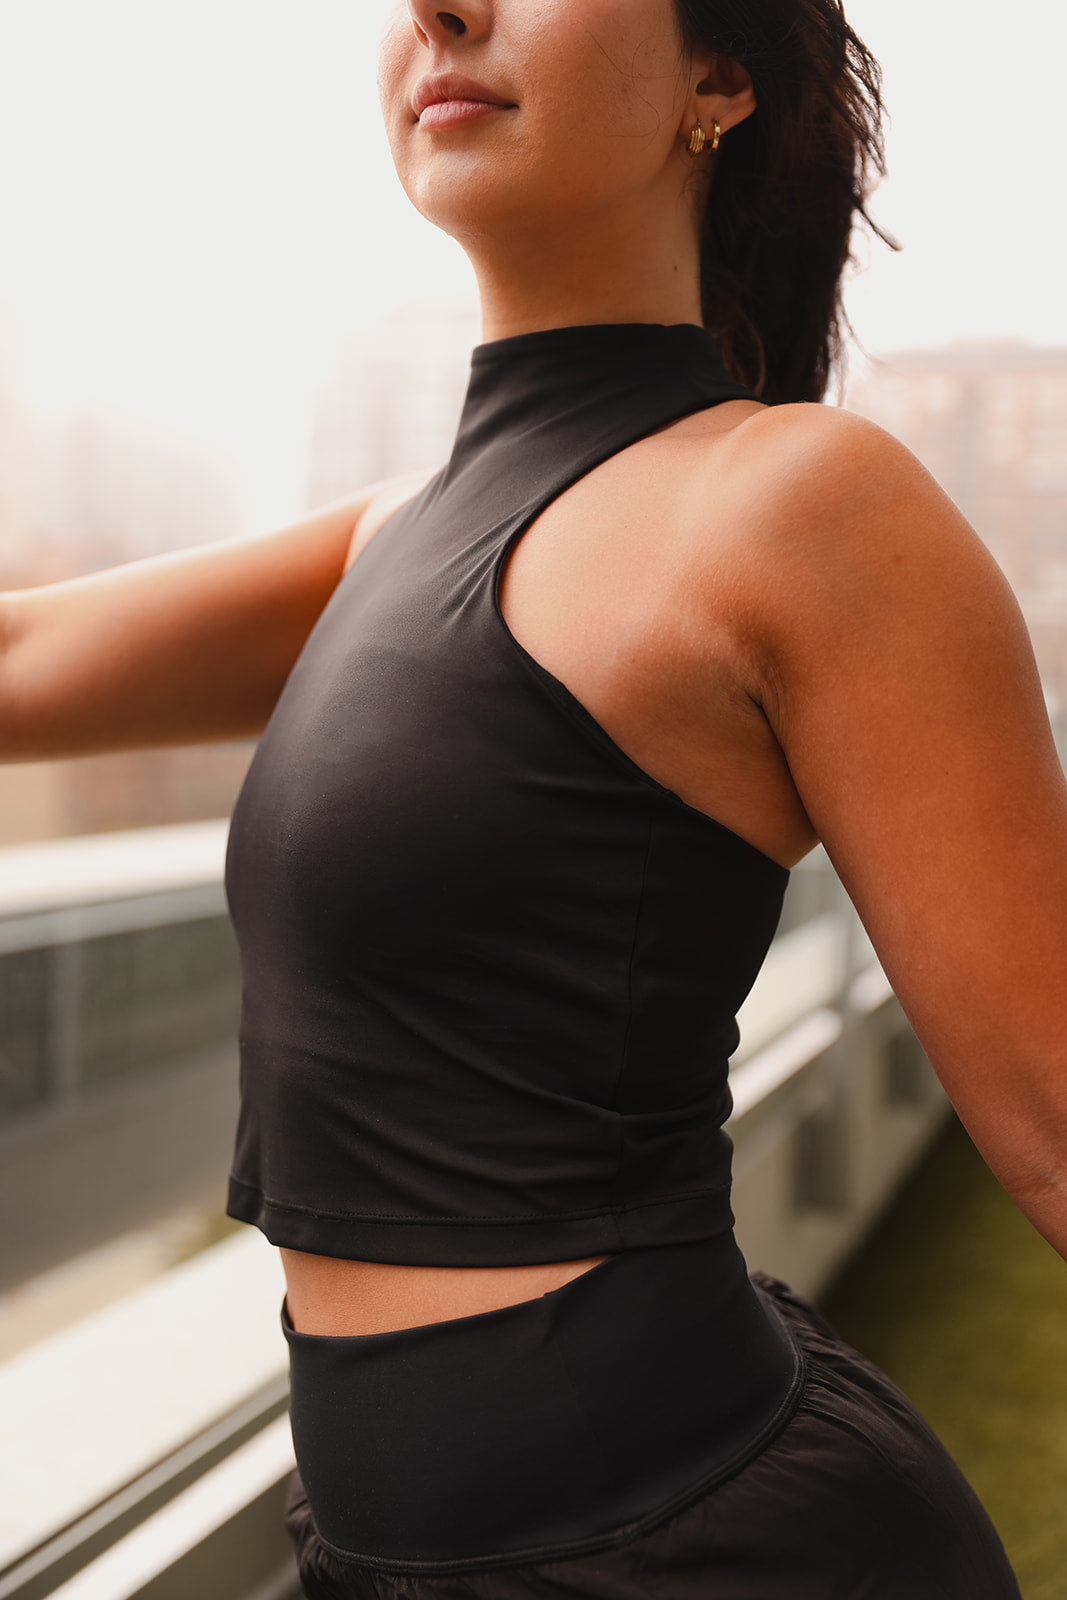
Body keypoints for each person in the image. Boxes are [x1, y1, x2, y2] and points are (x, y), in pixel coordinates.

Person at [3, 0, 1064, 1593]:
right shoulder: (389, 538)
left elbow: (1056, 1124)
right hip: (382, 1552)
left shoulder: (796, 503)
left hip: (701, 1549)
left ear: (720, 77)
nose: (439, 5)